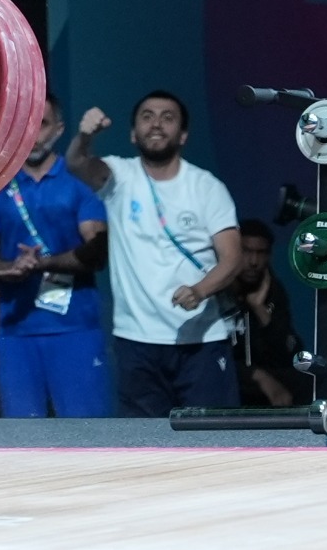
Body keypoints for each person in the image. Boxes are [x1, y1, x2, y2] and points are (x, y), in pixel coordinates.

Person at [68, 91, 242, 415]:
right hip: (137, 341)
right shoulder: (119, 177)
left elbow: (232, 259)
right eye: (147, 117)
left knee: (212, 438)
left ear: (183, 135)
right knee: (143, 439)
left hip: (201, 341)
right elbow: (76, 163)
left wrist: (199, 290)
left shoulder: (207, 187)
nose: (157, 124)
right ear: (133, 134)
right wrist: (85, 136)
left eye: (167, 117)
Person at [0, 95, 111, 417]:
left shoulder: (79, 185)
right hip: (15, 333)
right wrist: (9, 267)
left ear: (58, 130)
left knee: (88, 435)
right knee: (21, 438)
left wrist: (41, 264)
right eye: (24, 125)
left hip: (75, 330)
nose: (32, 134)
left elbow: (97, 253)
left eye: (42, 124)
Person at [225, 218, 306, 406]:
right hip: (230, 382)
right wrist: (258, 376)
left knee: (304, 380)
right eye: (246, 251)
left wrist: (260, 309)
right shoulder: (217, 293)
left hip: (264, 387)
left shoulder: (273, 292)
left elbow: (289, 353)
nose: (254, 261)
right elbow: (212, 359)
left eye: (261, 253)